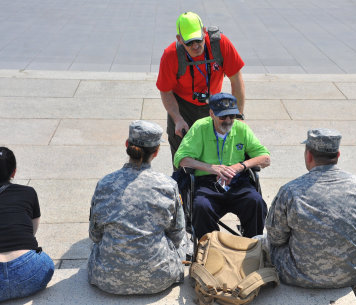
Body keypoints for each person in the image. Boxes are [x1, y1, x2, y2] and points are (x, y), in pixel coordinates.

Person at [265, 128, 356, 288]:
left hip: (296, 275)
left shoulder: (291, 191)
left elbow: (276, 237)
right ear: (338, 155)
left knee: (264, 243)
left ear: (309, 155)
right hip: (349, 275)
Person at [88, 120, 186, 295]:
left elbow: (95, 235)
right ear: (156, 152)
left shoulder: (105, 183)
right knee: (186, 240)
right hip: (159, 279)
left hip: (106, 279)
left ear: (127, 145)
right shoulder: (168, 185)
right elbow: (177, 235)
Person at [174, 93, 270, 239]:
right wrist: (211, 167)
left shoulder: (241, 129)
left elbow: (265, 158)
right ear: (211, 113)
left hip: (237, 180)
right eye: (223, 117)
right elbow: (181, 159)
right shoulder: (200, 127)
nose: (228, 120)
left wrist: (240, 166)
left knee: (255, 202)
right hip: (207, 182)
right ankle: (210, 248)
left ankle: (252, 247)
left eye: (232, 116)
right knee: (201, 207)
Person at [156, 12, 245, 163]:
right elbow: (165, 91)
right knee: (183, 158)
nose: (196, 46)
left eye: (199, 40)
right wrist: (177, 118)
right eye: (190, 42)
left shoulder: (220, 44)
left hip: (214, 105)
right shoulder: (171, 55)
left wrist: (238, 115)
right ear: (179, 39)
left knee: (215, 156)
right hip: (183, 106)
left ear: (204, 32)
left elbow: (236, 80)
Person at [0, 147, 54, 302]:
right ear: (14, 172)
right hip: (29, 273)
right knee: (46, 262)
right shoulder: (28, 192)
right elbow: (32, 230)